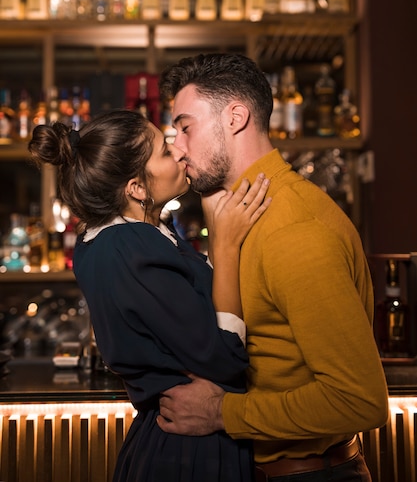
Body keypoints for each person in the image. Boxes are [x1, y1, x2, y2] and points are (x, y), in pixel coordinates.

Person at [157, 53, 389, 482]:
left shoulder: (293, 230)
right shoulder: (245, 215)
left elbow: (359, 400)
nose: (177, 145)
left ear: (235, 117)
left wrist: (220, 412)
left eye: (186, 127)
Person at [28, 109, 272, 482]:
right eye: (163, 150)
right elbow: (225, 358)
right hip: (189, 452)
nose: (178, 151)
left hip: (176, 438)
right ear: (136, 188)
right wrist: (226, 247)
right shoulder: (128, 247)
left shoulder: (134, 235)